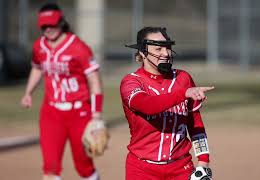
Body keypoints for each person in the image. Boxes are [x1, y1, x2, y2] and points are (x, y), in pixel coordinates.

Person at [20, 3, 104, 180]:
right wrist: (28, 93)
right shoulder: (39, 47)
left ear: (61, 22)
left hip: (79, 112)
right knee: (50, 167)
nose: (49, 29)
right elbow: (37, 68)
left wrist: (96, 117)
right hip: (51, 112)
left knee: (84, 167)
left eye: (52, 24)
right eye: (44, 26)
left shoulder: (78, 47)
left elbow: (94, 81)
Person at [120, 26, 214, 180]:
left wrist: (203, 161)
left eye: (167, 48)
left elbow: (195, 123)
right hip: (142, 170)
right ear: (143, 52)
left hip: (181, 168)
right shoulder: (131, 82)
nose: (165, 53)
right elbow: (146, 105)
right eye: (158, 49)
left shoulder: (183, 78)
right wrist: (183, 93)